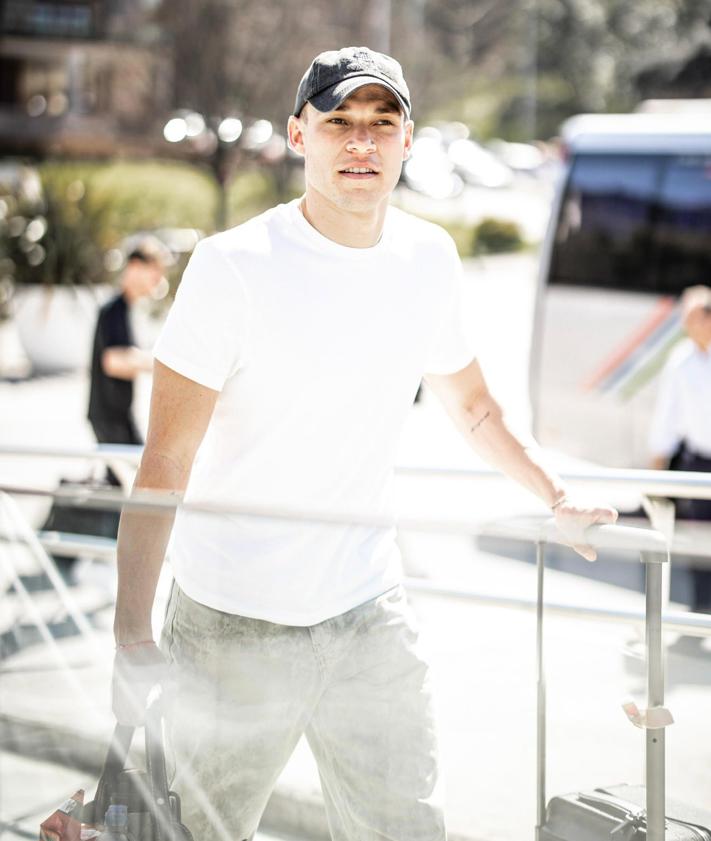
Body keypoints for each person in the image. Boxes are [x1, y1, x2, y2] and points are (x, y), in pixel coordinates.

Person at [112, 47, 617, 840]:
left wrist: (554, 496)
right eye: (338, 122)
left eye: (381, 125)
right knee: (193, 834)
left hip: (366, 614)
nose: (360, 143)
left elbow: (475, 408)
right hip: (230, 626)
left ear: (407, 142)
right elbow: (165, 460)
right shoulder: (230, 267)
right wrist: (131, 630)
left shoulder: (427, 258)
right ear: (297, 135)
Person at [649, 285, 711, 614]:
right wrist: (656, 469)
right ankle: (702, 611)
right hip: (698, 461)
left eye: (693, 317)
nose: (687, 325)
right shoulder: (680, 360)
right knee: (698, 539)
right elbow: (666, 416)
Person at [87, 237, 168, 481]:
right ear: (135, 266)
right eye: (154, 271)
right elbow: (113, 361)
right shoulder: (114, 310)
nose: (158, 280)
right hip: (110, 418)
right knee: (133, 485)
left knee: (130, 485)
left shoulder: (126, 309)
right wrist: (162, 364)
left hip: (120, 416)